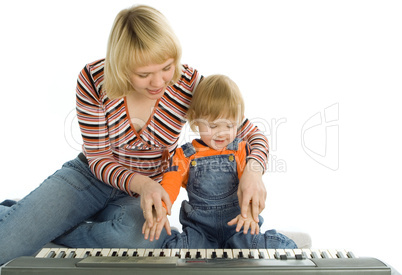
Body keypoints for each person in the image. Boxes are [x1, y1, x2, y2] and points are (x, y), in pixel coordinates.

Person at [0, 5, 268, 265]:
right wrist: (143, 183)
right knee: (6, 247)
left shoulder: (189, 83)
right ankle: (25, 220)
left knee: (146, 240)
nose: (159, 81)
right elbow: (99, 158)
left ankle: (38, 225)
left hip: (141, 194)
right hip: (89, 178)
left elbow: (253, 135)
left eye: (167, 67)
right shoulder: (94, 79)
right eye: (144, 74)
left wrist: (253, 172)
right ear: (122, 66)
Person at [142, 75, 296, 249]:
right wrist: (161, 208)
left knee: (253, 243)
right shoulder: (183, 155)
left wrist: (251, 215)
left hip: (238, 226)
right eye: (213, 126)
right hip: (200, 230)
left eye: (230, 126)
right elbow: (169, 185)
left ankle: (283, 243)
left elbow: (250, 192)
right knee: (176, 249)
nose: (222, 133)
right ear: (195, 120)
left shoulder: (240, 150)